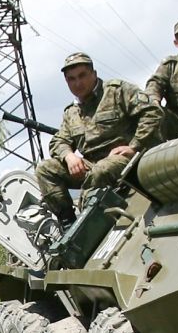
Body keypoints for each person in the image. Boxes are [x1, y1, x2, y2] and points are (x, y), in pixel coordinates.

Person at [34, 52, 161, 223]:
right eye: (71, 79)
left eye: (82, 76)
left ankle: (87, 223)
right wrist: (69, 156)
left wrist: (134, 146)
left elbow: (152, 113)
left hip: (127, 159)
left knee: (101, 169)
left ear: (94, 74)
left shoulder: (117, 91)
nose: (78, 83)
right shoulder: (71, 112)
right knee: (45, 168)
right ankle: (68, 222)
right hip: (92, 166)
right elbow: (59, 141)